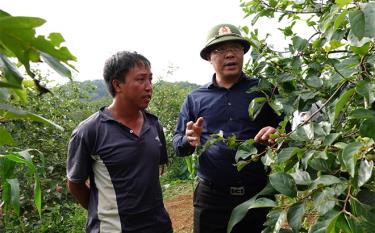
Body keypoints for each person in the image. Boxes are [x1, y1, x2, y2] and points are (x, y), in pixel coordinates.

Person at [172, 24, 284, 233]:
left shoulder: (264, 90)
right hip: (211, 198)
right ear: (208, 57)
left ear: (243, 52)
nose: (230, 54)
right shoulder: (195, 99)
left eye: (236, 48)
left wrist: (278, 133)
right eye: (220, 50)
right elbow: (178, 145)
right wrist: (189, 140)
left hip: (257, 195)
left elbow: (288, 131)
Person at [67, 51, 173, 233]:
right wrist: (105, 213)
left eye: (150, 79)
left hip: (158, 226)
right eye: (141, 80)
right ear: (117, 84)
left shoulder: (154, 125)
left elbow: (155, 173)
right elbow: (75, 184)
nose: (149, 87)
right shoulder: (89, 131)